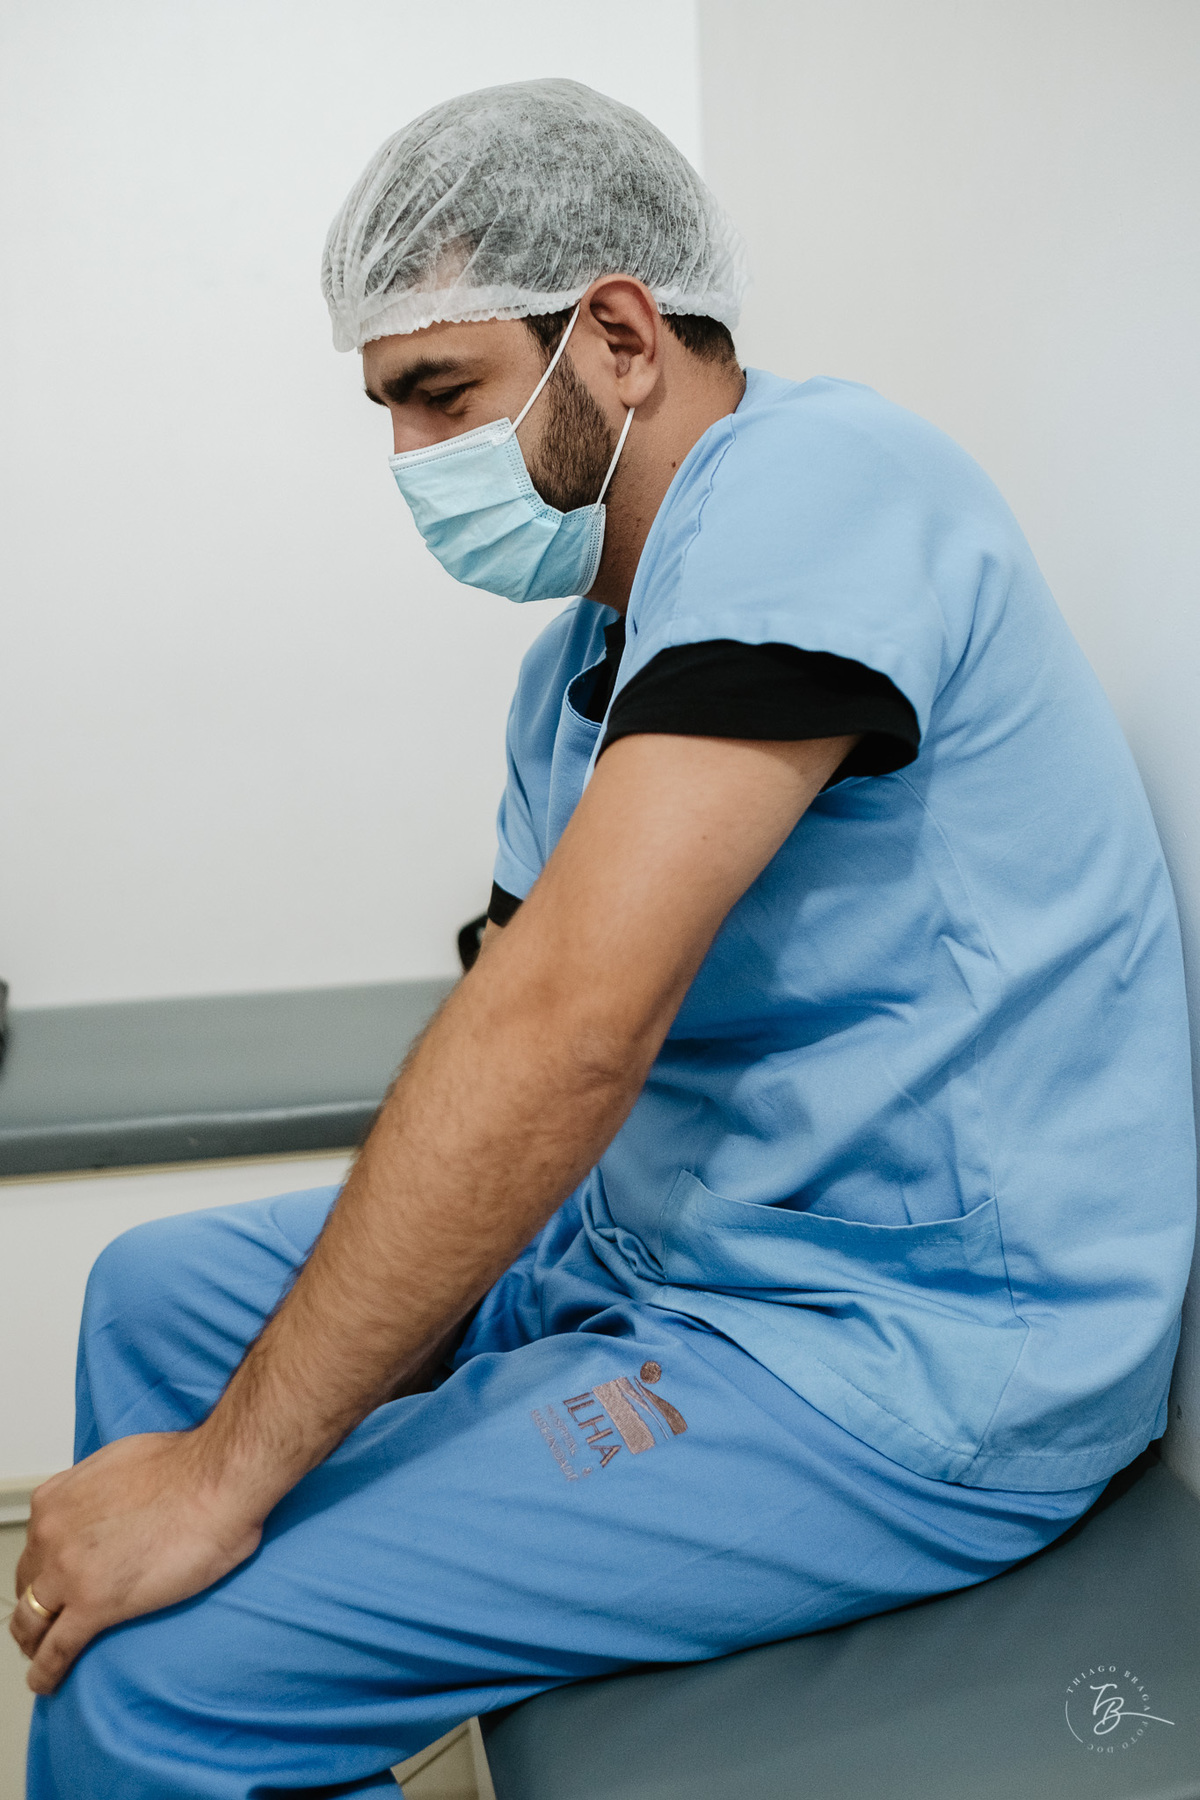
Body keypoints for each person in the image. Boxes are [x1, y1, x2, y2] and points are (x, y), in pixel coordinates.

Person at [13, 78, 1195, 1799]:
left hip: (905, 1348)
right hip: (664, 1250)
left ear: (622, 336)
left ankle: (193, 1692)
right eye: (387, 411)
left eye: (441, 395)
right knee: (154, 1295)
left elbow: (569, 1024)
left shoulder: (823, 489)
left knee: (165, 1686)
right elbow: (509, 1000)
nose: (411, 463)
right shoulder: (579, 665)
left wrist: (224, 1482)